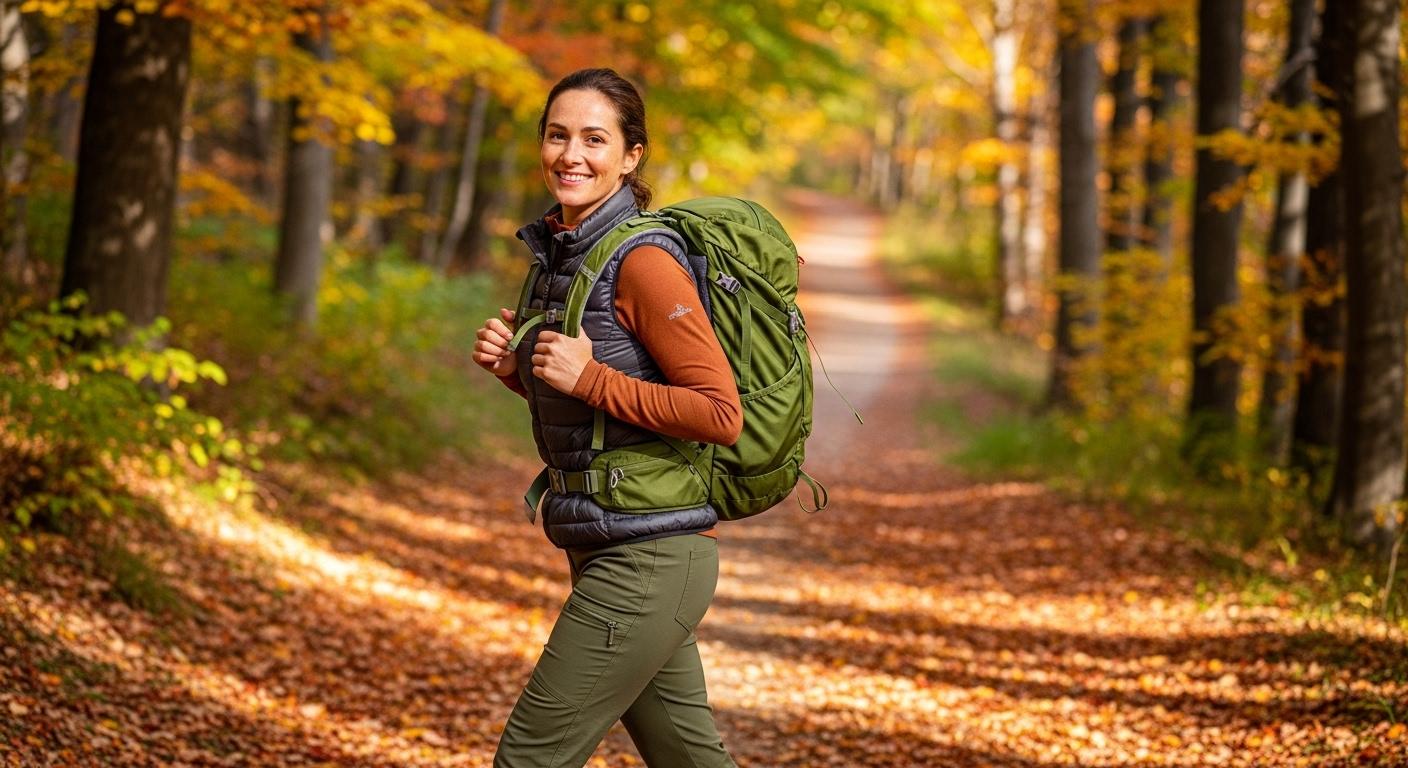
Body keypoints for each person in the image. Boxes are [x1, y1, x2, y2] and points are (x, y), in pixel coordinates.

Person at [472, 67, 741, 768]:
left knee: (529, 758)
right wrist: (517, 374)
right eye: (558, 135)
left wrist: (589, 377)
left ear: (631, 156)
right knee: (689, 758)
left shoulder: (644, 260)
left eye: (595, 139)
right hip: (612, 542)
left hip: (647, 558)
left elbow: (719, 413)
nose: (572, 154)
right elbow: (589, 414)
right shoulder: (561, 253)